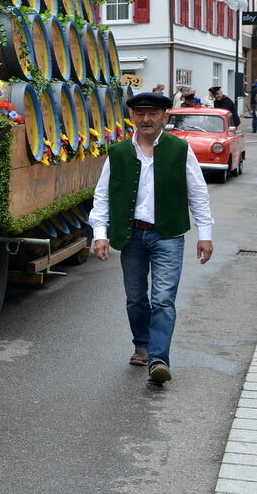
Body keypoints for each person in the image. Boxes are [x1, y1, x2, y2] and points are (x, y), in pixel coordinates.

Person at [89, 91, 214, 385]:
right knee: (135, 299)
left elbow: (198, 194)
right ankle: (142, 346)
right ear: (132, 117)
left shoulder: (180, 149)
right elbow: (102, 196)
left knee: (162, 299)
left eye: (153, 113)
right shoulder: (118, 152)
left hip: (167, 235)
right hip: (131, 234)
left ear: (164, 117)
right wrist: (99, 234)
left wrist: (205, 234)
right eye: (140, 113)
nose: (146, 119)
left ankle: (159, 359)